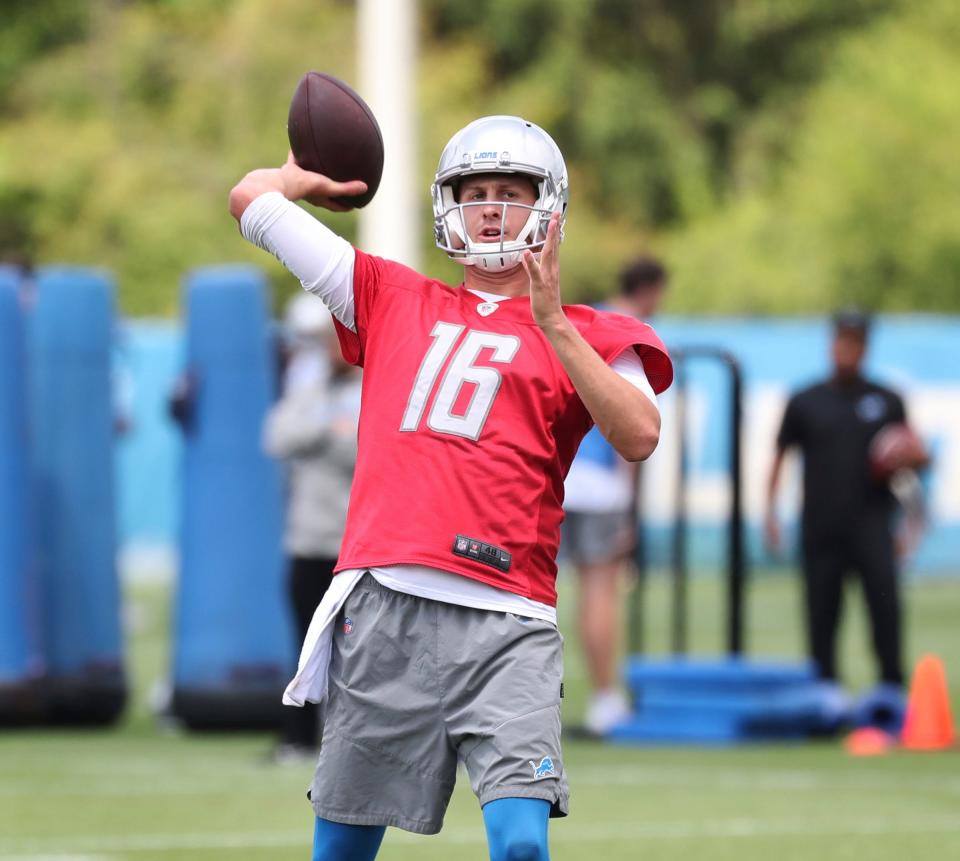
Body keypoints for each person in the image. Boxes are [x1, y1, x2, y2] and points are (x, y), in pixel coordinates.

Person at [229, 115, 672, 861]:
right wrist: (296, 180)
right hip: (385, 606)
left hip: (508, 618)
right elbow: (251, 200)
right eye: (476, 191)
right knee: (339, 848)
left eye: (510, 191)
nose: (492, 206)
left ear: (549, 208)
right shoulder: (391, 294)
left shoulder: (591, 330)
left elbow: (639, 435)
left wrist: (554, 323)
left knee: (522, 843)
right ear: (449, 205)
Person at [765, 309, 929, 725]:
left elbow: (914, 456)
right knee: (822, 608)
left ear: (865, 347)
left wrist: (912, 517)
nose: (847, 349)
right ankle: (826, 694)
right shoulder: (806, 400)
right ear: (831, 342)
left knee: (884, 604)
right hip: (820, 524)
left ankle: (891, 689)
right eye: (842, 340)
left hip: (873, 522)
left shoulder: (887, 400)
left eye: (855, 341)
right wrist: (770, 513)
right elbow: (780, 456)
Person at [561, 258, 668, 735]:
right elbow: (630, 425)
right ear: (649, 289)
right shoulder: (628, 333)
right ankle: (606, 696)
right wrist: (630, 501)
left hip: (558, 474)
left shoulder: (584, 321)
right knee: (601, 589)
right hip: (601, 482)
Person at [263, 293, 361, 762]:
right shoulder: (311, 392)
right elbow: (278, 437)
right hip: (309, 536)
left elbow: (360, 452)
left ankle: (353, 742)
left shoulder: (373, 391)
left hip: (354, 543)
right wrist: (324, 430)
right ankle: (298, 737)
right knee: (304, 643)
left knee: (360, 649)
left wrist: (325, 437)